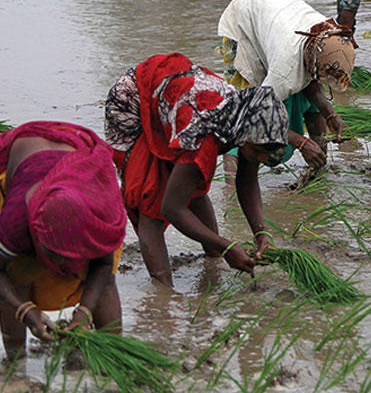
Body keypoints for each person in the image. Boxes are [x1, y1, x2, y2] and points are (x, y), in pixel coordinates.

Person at [104, 53, 288, 288]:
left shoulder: (248, 122)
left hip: (174, 97)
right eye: (259, 151)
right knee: (150, 202)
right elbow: (171, 208)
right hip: (135, 103)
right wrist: (226, 246)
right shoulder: (204, 135)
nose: (260, 158)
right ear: (247, 135)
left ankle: (212, 258)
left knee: (190, 183)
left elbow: (248, 182)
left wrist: (262, 233)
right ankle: (164, 293)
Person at [0, 121, 126, 360]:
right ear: (36, 234)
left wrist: (84, 312)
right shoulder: (16, 221)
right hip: (28, 159)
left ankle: (114, 355)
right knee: (16, 275)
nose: (61, 267)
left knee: (106, 282)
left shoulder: (99, 219)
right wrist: (24, 310)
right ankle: (16, 365)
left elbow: (103, 265)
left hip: (80, 161)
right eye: (53, 255)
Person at [218, 0, 356, 179]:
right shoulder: (285, 70)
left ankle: (318, 171)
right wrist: (301, 142)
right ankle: (231, 187)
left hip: (276, 9)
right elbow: (257, 114)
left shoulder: (329, 37)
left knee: (309, 101)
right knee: (242, 111)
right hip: (244, 21)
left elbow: (313, 85)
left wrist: (332, 115)